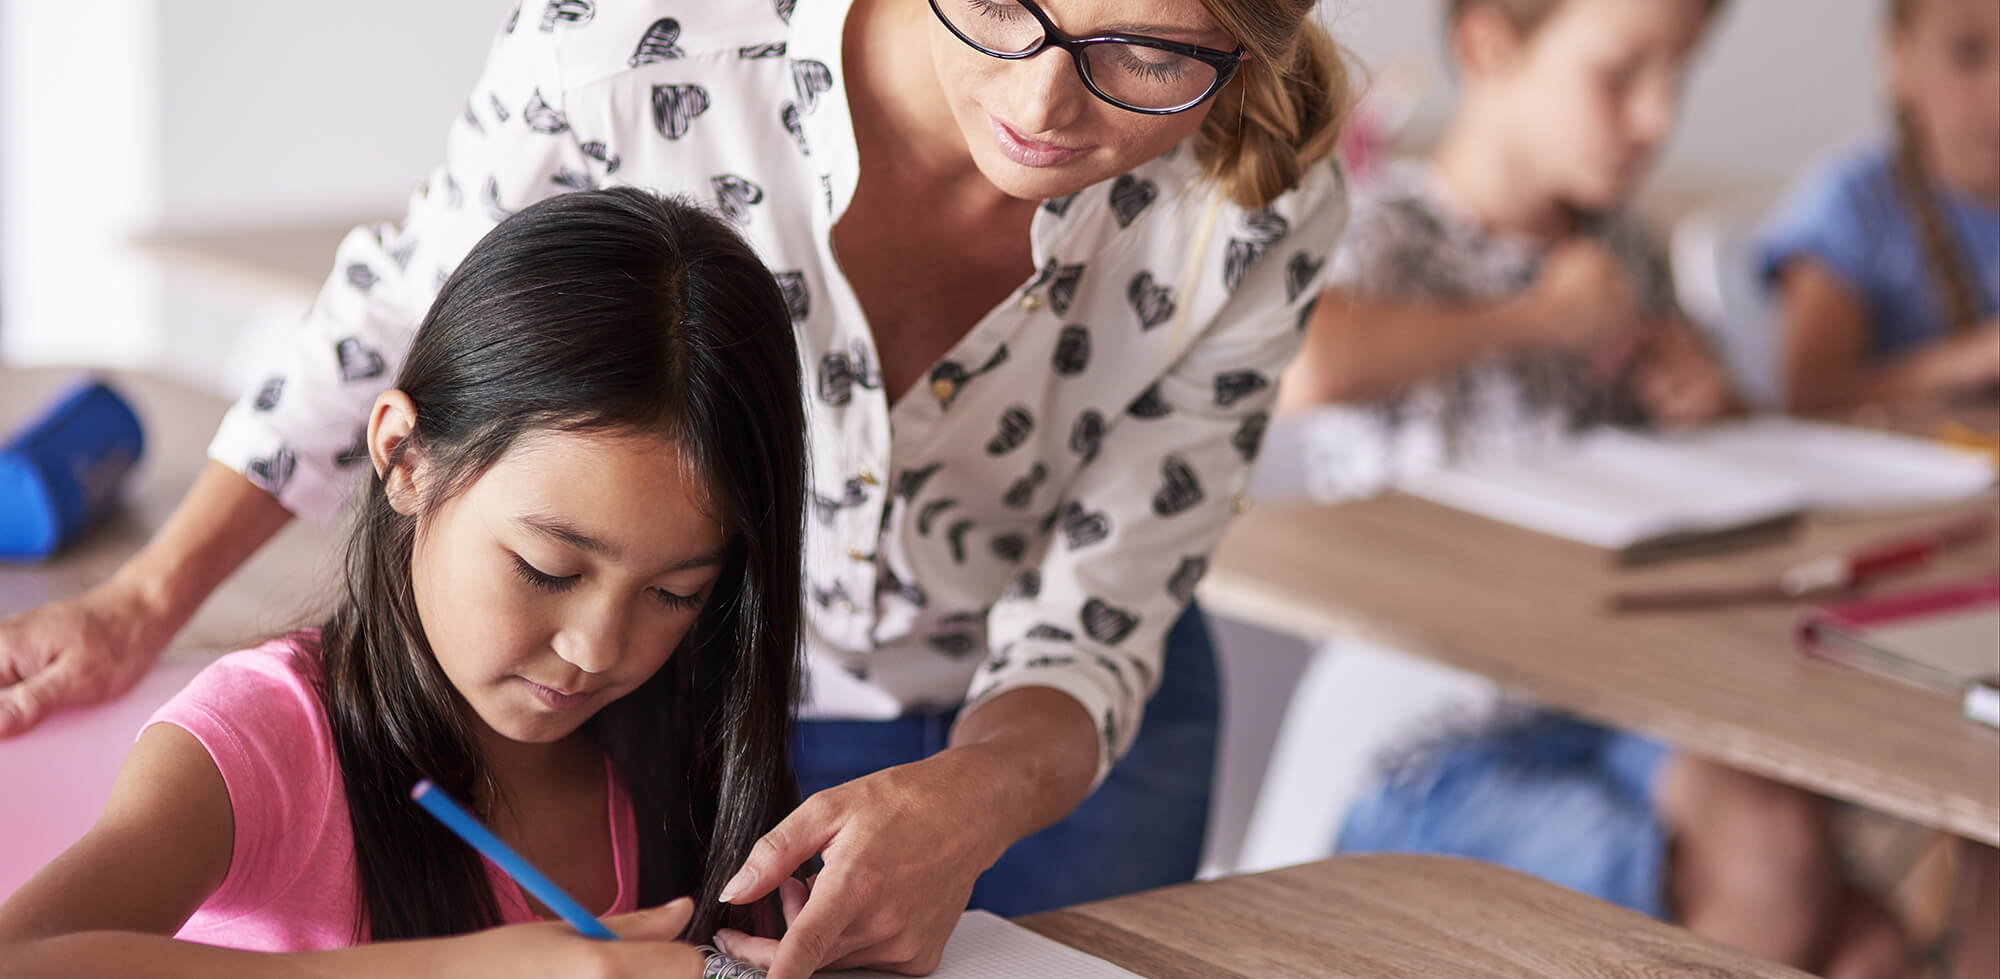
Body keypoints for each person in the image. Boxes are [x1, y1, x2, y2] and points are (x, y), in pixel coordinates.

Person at [0, 2, 1350, 975]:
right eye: (1005, 2)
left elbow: (1107, 605)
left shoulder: (1255, 197)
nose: (1053, 100)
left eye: (1153, 51)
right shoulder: (630, 47)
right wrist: (144, 596)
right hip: (722, 699)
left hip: (980, 723)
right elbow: (390, 319)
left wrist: (980, 786)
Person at [0, 188, 807, 977]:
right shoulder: (267, 740)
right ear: (404, 458)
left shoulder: (690, 745)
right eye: (547, 568)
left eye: (675, 592)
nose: (596, 648)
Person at [1278, 2, 1910, 976]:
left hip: (1618, 701)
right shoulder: (1380, 226)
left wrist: (1715, 406)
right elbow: (1302, 368)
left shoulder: (1623, 251)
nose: (1655, 117)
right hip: (1432, 734)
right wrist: (1531, 316)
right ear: (1489, 47)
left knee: (1856, 928)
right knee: (1790, 893)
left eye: (1675, 78)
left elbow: (1708, 483)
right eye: (1619, 77)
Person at [1761, 0, 2000, 414]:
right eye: (1968, 51)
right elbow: (1807, 398)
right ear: (1897, 58)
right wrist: (1972, 362)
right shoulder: (1851, 207)